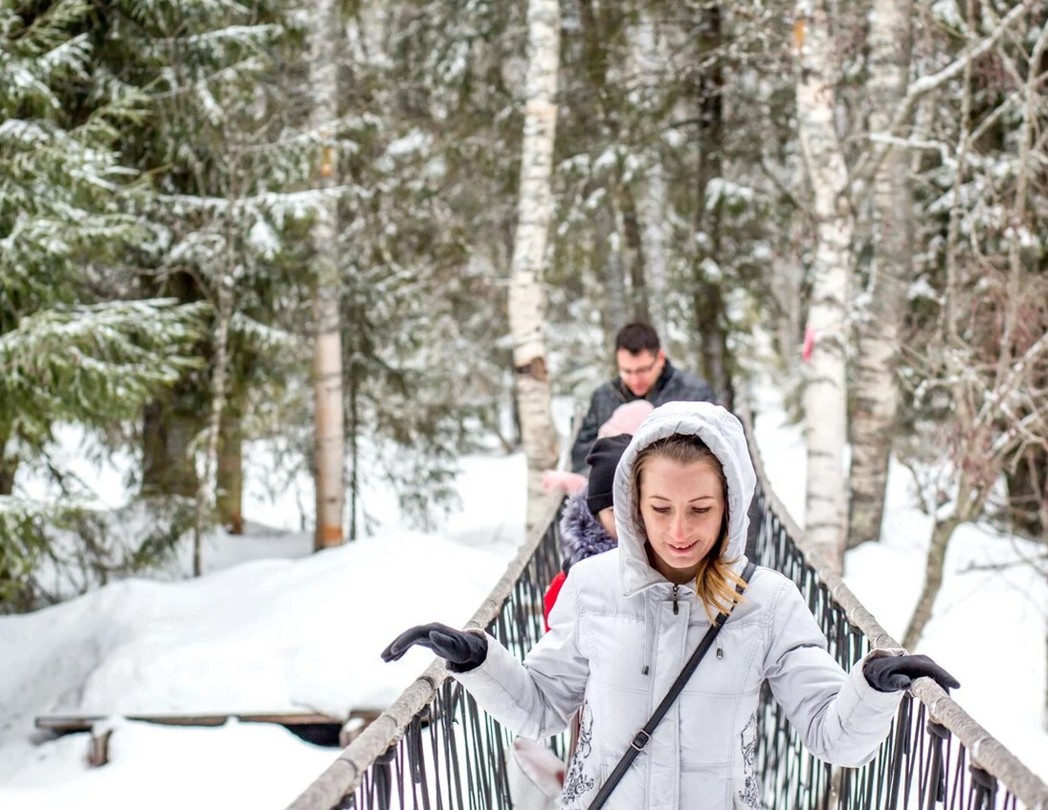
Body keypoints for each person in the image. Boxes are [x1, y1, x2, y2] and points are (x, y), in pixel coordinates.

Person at [382, 401, 959, 810]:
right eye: (660, 509)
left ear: (732, 505)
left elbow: (833, 738)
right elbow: (543, 709)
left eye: (700, 509)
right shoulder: (591, 586)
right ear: (633, 502)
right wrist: (476, 660)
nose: (679, 531)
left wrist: (874, 687)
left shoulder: (770, 602)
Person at [569, 322, 716, 472]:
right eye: (626, 371)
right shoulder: (603, 397)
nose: (635, 380)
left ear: (660, 358)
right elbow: (582, 458)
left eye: (643, 370)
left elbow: (714, 452)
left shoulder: (693, 393)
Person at [543, 433, 631, 631]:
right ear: (595, 514)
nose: (629, 523)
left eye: (638, 511)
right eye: (615, 513)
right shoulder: (569, 585)